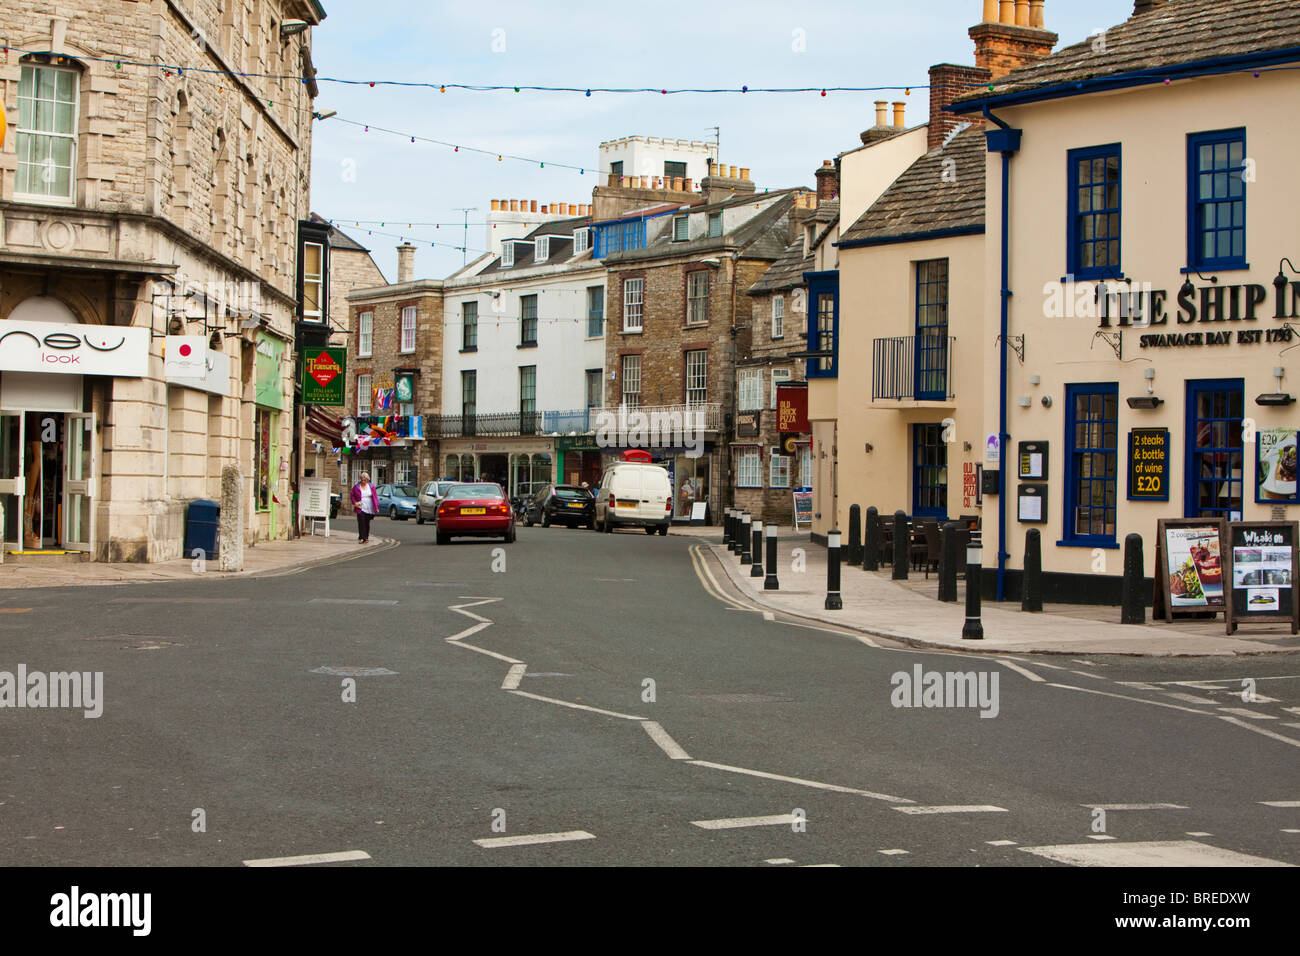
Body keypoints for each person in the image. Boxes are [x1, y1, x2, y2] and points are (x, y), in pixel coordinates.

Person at [351, 471, 380, 544]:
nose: (363, 481)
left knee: (367, 523)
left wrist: (376, 506)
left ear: (368, 480)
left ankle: (366, 537)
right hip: (360, 506)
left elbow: (375, 497)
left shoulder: (371, 486)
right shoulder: (356, 486)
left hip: (369, 506)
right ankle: (361, 538)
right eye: (362, 480)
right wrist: (355, 503)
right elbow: (352, 495)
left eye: (365, 480)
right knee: (361, 522)